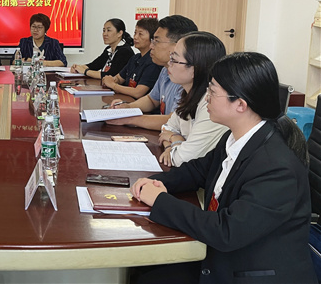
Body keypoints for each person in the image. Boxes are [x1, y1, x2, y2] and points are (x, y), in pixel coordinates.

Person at [131, 52, 316, 284]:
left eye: (212, 91)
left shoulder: (276, 168)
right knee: (142, 271)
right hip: (224, 256)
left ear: (240, 104)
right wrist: (156, 182)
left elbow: (226, 232)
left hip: (249, 273)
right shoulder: (234, 136)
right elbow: (198, 170)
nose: (206, 98)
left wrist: (160, 200)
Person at [108, 15, 198, 131]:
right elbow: (152, 100)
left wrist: (129, 119)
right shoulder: (165, 69)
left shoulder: (186, 77)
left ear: (178, 45)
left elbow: (174, 121)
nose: (151, 46)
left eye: (156, 41)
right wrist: (127, 107)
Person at [156, 32, 228, 167]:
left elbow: (183, 159)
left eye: (174, 59)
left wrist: (174, 139)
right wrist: (171, 144)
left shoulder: (211, 104)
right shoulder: (188, 93)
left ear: (195, 69)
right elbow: (167, 128)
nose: (169, 63)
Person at [101, 18, 161, 99]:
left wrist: (113, 85)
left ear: (152, 38)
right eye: (135, 33)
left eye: (140, 34)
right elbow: (119, 78)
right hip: (125, 100)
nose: (135, 37)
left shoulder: (153, 62)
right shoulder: (135, 58)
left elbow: (138, 92)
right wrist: (110, 79)